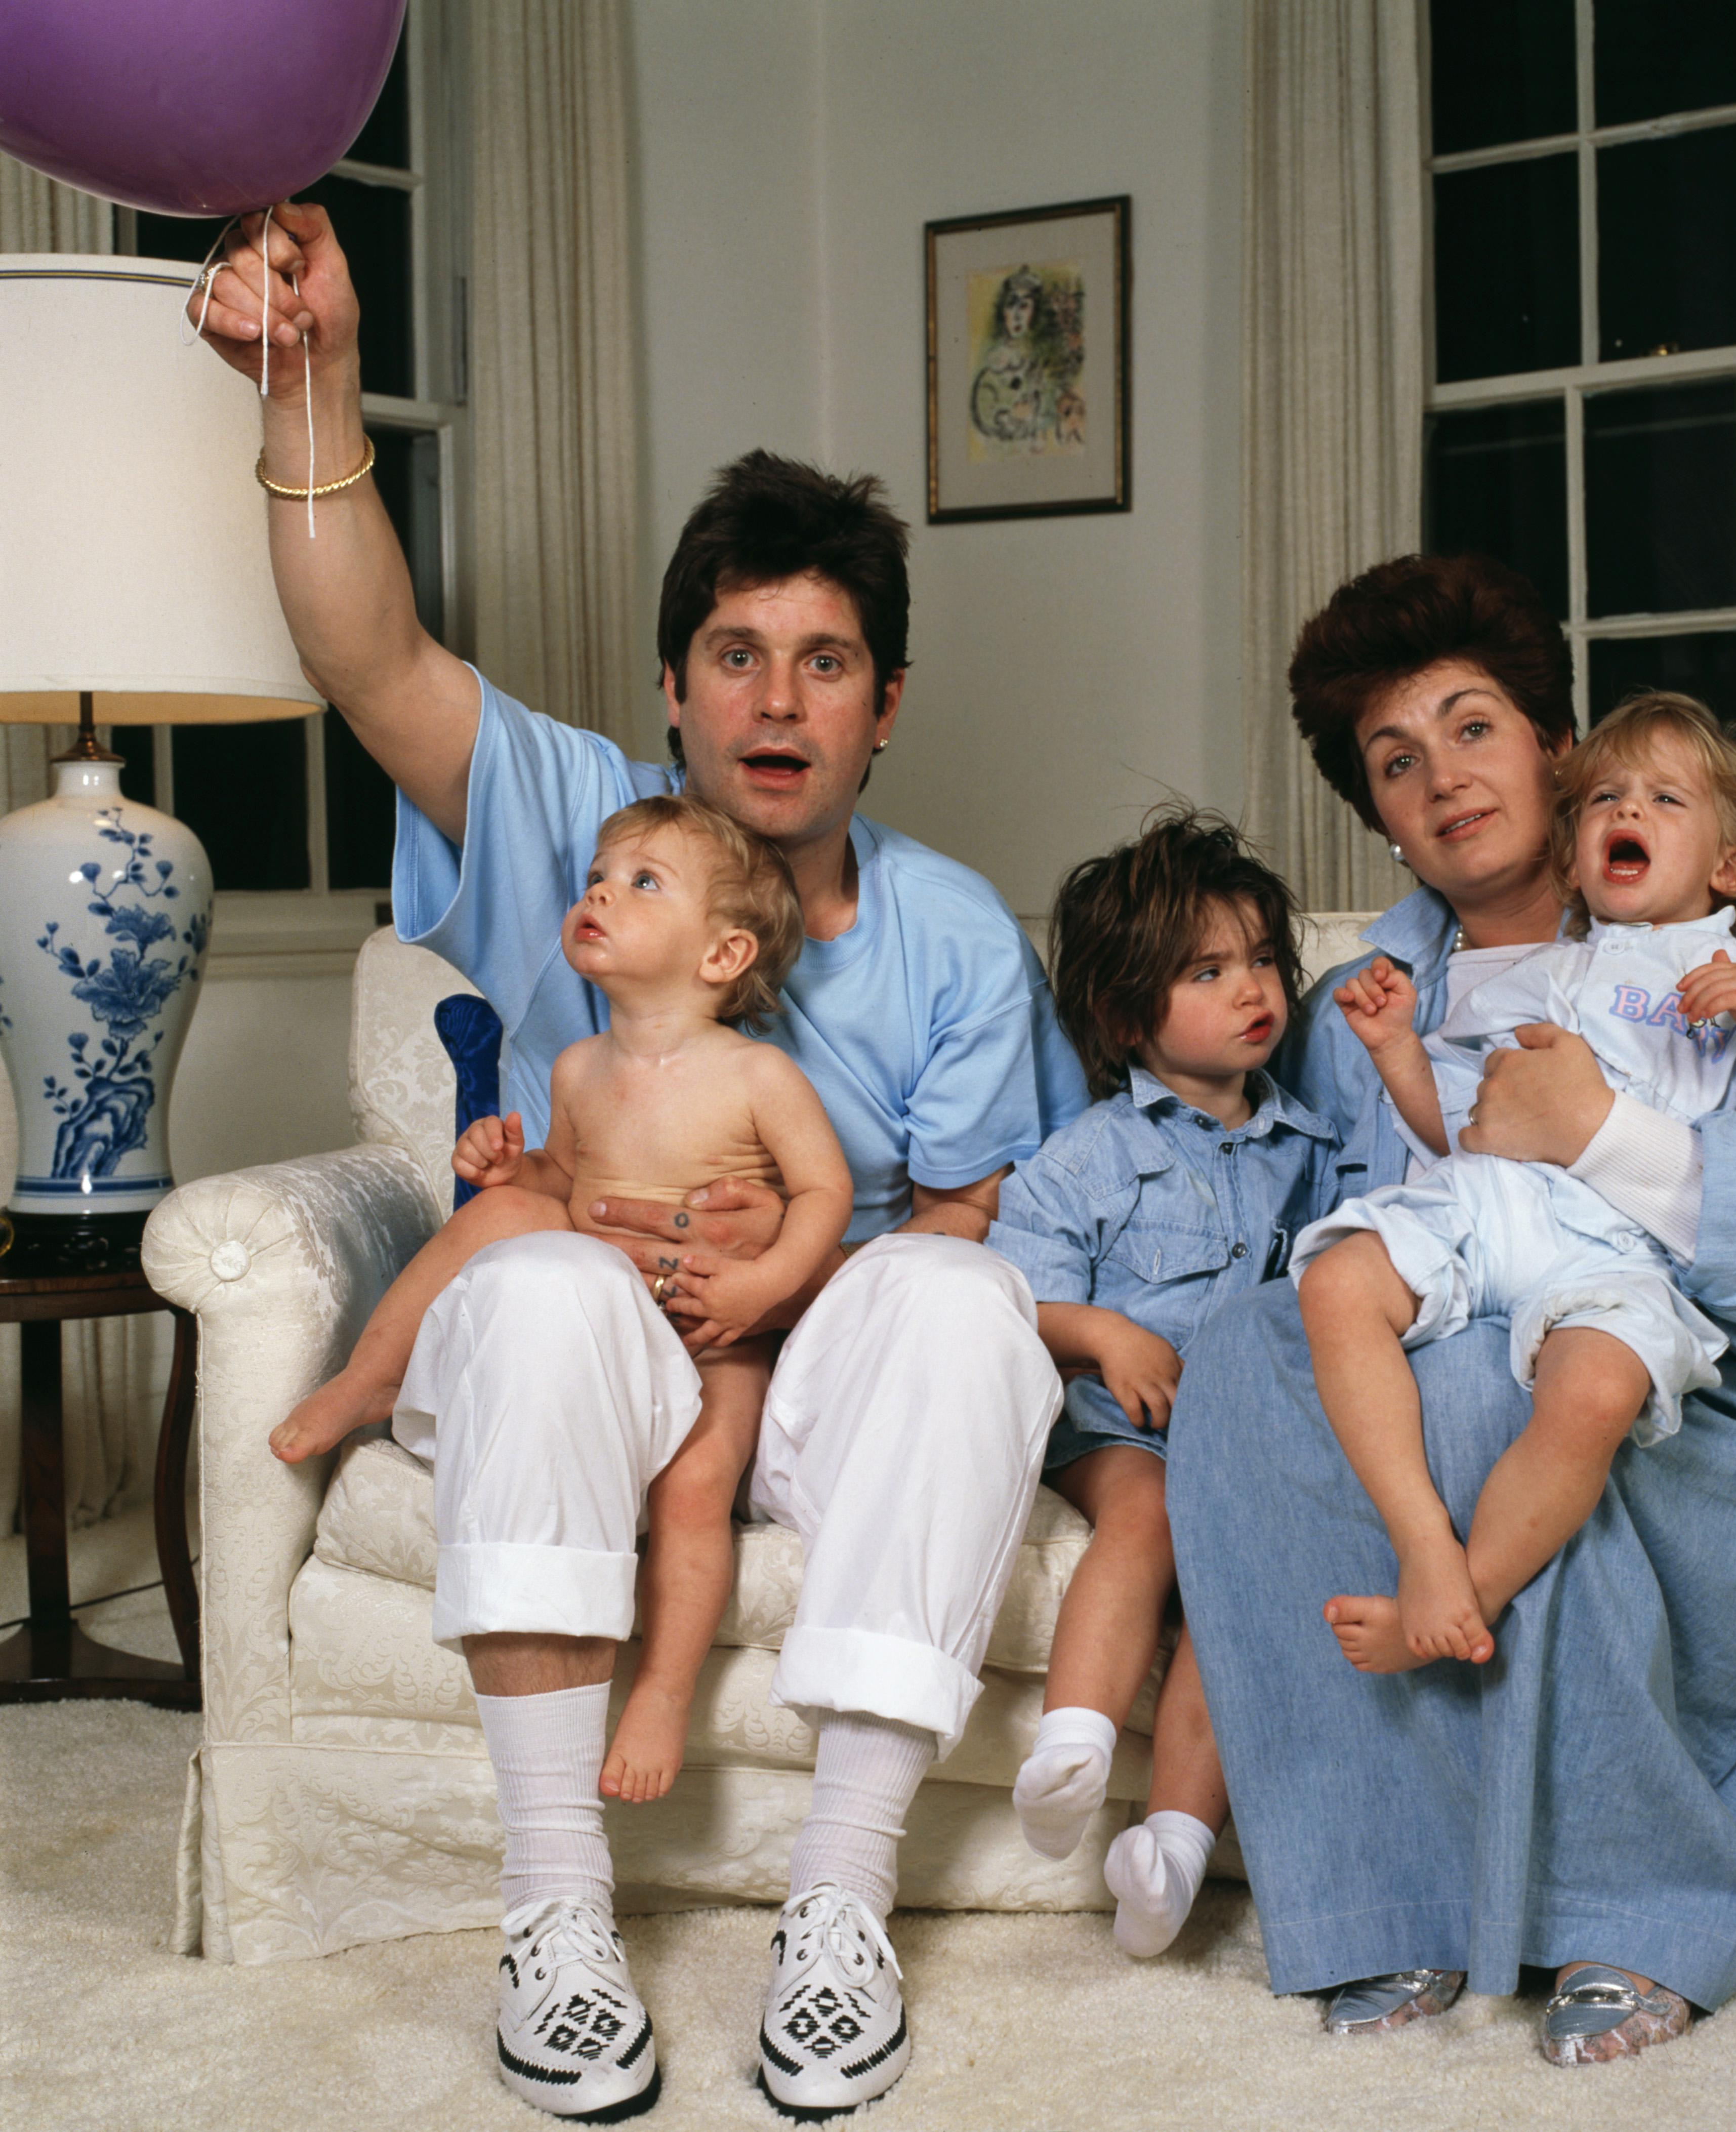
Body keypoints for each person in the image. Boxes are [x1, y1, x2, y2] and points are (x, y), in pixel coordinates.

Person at [190, 204, 1088, 2124]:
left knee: (961, 1296)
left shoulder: (950, 936)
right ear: (671, 690)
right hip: (582, 1359)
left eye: (827, 662)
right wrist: (315, 384)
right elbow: (372, 655)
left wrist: (782, 1267)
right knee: (524, 1273)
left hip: (795, 1367)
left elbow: (966, 1211)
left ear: (884, 705)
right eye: (737, 656)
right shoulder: (588, 830)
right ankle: (552, 1912)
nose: (778, 698)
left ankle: (838, 1905)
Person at [1163, 553, 1736, 2067]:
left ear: (1558, 746)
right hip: (1499, 1342)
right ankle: (1378, 1896)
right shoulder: (1377, 994)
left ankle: (1638, 1900)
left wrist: (1606, 1135)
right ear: (1378, 815)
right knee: (1242, 1349)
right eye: (1395, 761)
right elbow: (1320, 1214)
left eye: (1473, 726)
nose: (1442, 778)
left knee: (1503, 1386)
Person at [269, 793, 853, 1807]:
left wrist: (763, 1282)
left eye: (641, 884)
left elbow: (823, 1194)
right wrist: (508, 1166)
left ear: (721, 955)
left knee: (694, 1492)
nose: (599, 895)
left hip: (719, 1339)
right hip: (599, 1333)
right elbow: (560, 1191)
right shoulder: (581, 1069)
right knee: (496, 1223)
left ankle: (663, 1693)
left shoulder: (758, 1075)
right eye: (596, 879)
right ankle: (371, 1376)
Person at [1293, 694, 1736, 1675]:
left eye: (1664, 799)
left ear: (1729, 867)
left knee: (1597, 1392)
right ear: (1574, 859)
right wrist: (1398, 1051)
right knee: (1336, 1282)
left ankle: (1464, 1598)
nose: (1629, 813)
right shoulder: (1557, 972)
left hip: (1627, 1245)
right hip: (1513, 1205)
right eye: (1606, 797)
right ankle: (1421, 1544)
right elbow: (1463, 1127)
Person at [985, 810, 1346, 1956]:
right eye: (1208, 970)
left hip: (1246, 1444)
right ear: (1125, 1015)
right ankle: (1073, 1742)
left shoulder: (1315, 1152)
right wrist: (1103, 1330)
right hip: (1119, 1430)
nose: (1252, 990)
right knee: (1146, 1524)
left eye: (1260, 962)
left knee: (1239, 1595)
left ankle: (1175, 1845)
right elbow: (1011, 1304)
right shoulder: (1087, 1157)